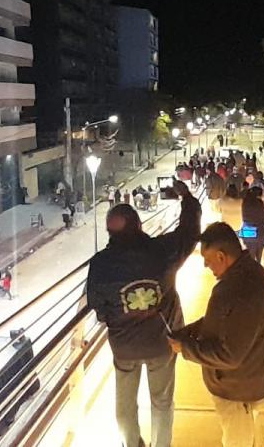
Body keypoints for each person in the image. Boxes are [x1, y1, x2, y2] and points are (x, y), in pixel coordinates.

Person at [86, 182, 202, 447]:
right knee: (161, 401)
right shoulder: (163, 251)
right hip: (163, 343)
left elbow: (99, 309)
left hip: (124, 346)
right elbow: (189, 232)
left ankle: (132, 443)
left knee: (124, 405)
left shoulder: (100, 264)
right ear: (139, 226)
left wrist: (119, 319)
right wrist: (187, 197)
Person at [170, 223, 264, 447]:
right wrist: (187, 333)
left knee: (237, 440)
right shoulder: (250, 274)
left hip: (239, 391)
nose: (208, 267)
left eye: (208, 262)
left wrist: (185, 348)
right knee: (248, 436)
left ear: (221, 256)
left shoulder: (238, 289)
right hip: (247, 382)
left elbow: (230, 356)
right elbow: (219, 321)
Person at [240, 188, 264, 263]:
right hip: (261, 233)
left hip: (247, 231)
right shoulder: (263, 206)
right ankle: (257, 267)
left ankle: (249, 269)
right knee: (259, 255)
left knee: (249, 254)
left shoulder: (245, 204)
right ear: (259, 196)